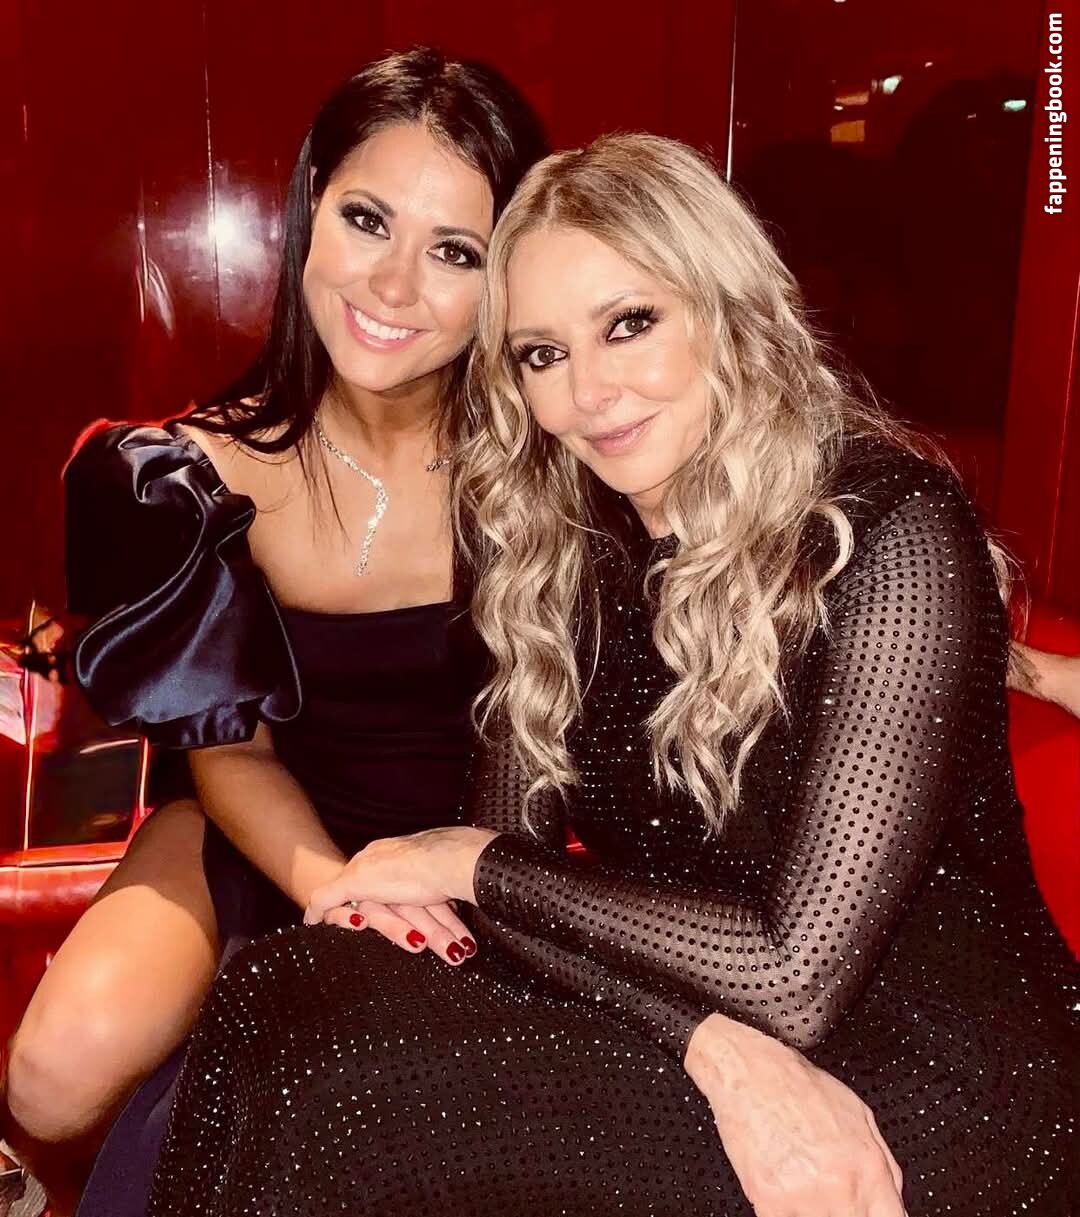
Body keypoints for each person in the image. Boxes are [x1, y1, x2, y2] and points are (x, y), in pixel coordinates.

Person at [140, 132, 1080, 1217]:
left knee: (354, 1105)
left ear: (723, 306)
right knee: (280, 987)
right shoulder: (563, 548)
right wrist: (705, 1039)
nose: (589, 392)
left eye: (629, 323)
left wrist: (468, 857)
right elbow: (515, 904)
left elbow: (791, 972)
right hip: (708, 1010)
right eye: (542, 354)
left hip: (937, 1076)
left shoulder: (891, 526)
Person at [0, 47, 546, 1217]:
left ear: (506, 279)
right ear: (308, 211)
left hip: (473, 837)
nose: (393, 285)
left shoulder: (546, 469)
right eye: (367, 220)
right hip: (251, 821)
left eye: (454, 251)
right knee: (48, 1076)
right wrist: (337, 887)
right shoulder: (190, 477)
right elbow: (230, 751)